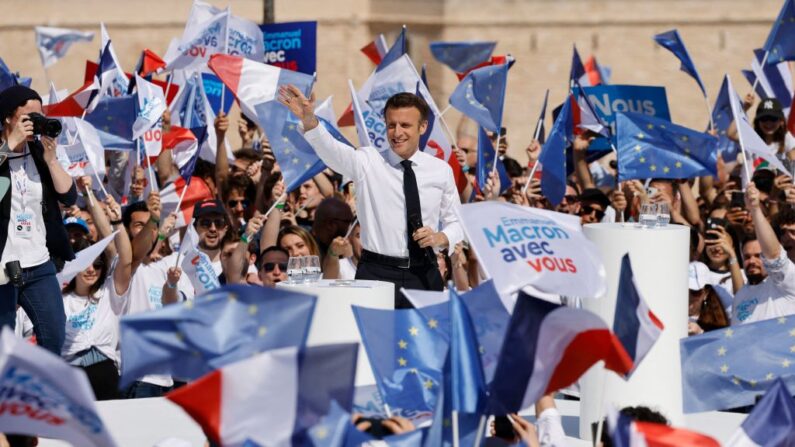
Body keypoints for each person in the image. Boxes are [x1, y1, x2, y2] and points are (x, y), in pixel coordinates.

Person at [280, 87, 463, 308]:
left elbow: (457, 223)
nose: (397, 133)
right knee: (376, 340)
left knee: (424, 340)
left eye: (405, 125)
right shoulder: (368, 160)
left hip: (425, 272)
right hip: (377, 273)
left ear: (422, 127)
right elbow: (332, 151)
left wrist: (440, 238)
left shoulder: (440, 170)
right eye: (391, 125)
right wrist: (310, 120)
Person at [0, 85, 77, 355]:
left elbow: (69, 197)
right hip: (2, 267)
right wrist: (8, 146)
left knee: (54, 336)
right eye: (28, 117)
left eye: (39, 116)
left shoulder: (38, 153)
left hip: (38, 262)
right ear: (9, 118)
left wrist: (52, 160)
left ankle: (41, 395)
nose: (35, 123)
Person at [60, 195, 132, 400]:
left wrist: (117, 222)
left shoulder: (109, 293)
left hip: (106, 373)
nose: (92, 270)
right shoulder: (59, 298)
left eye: (98, 265)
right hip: (70, 377)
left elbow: (125, 261)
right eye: (86, 264)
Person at [731, 184, 795, 324]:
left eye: (759, 255)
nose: (752, 261)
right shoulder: (740, 296)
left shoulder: (788, 280)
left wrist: (755, 209)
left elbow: (774, 254)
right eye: (747, 257)